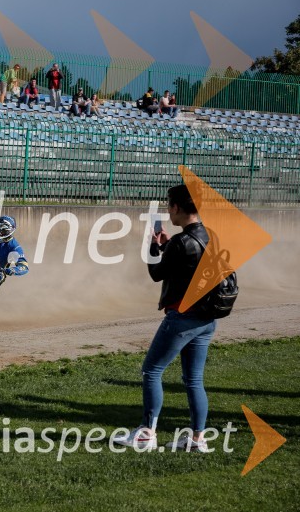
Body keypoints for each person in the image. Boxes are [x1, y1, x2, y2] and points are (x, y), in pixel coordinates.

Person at [113, 185, 217, 453]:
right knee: (194, 380)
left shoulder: (182, 242)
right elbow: (191, 259)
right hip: (207, 318)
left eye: (169, 205)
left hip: (181, 317)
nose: (168, 210)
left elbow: (157, 274)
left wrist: (151, 247)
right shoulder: (211, 236)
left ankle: (146, 433)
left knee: (152, 371)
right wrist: (167, 244)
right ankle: (197, 439)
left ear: (177, 208)